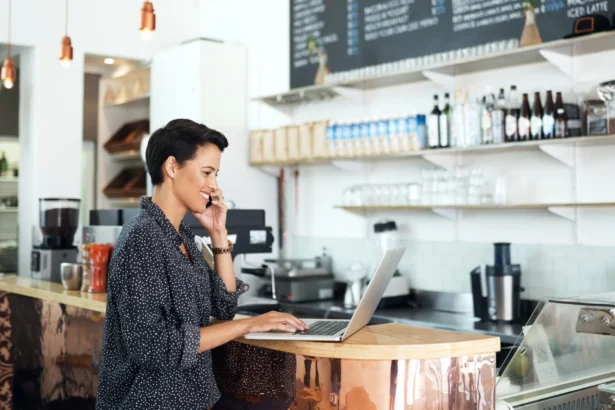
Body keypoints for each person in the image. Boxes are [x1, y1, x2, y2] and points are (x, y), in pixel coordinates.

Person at [96, 119, 307, 410]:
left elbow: (223, 306)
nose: (213, 186)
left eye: (216, 174)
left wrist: (218, 233)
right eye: (207, 172)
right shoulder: (142, 238)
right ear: (172, 167)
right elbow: (151, 346)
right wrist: (250, 325)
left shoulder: (183, 236)